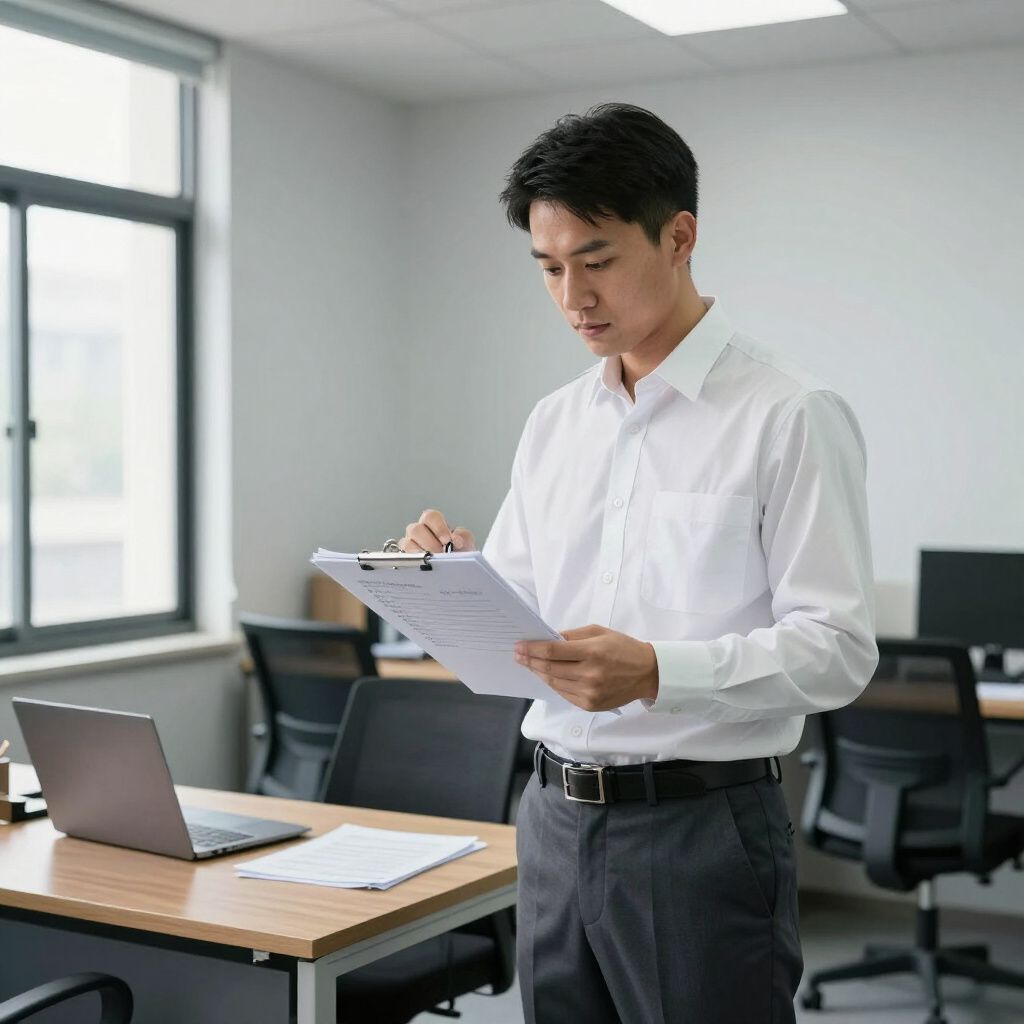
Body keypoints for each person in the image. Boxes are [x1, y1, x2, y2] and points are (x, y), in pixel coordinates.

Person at [398, 102, 878, 1024]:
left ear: (679, 237)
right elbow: (525, 621)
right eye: (548, 268)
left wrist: (659, 671)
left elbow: (838, 650)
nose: (573, 296)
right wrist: (455, 581)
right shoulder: (554, 423)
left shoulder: (789, 413)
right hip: (548, 818)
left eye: (598, 260)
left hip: (700, 829)